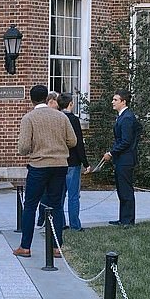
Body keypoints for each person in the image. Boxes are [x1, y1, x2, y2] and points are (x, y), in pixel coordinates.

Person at [13, 84, 76, 258]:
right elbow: (73, 141)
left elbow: (23, 147)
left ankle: (25, 246)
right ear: (47, 97)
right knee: (56, 205)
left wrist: (35, 147)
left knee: (31, 205)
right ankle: (57, 247)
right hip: (60, 165)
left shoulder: (29, 118)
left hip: (39, 166)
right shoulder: (61, 117)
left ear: (31, 99)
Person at [102, 89, 140, 226]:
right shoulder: (123, 116)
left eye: (115, 100)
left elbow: (126, 141)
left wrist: (111, 153)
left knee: (126, 190)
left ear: (123, 102)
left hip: (126, 159)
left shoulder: (127, 117)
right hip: (122, 158)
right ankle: (123, 219)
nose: (113, 102)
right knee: (121, 190)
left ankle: (128, 221)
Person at [57, 92, 90, 232]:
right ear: (71, 104)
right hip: (73, 162)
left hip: (58, 161)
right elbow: (78, 144)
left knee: (59, 195)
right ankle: (75, 225)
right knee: (73, 196)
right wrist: (86, 163)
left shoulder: (56, 118)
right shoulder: (73, 120)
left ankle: (61, 223)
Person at [36, 92, 61, 227]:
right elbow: (72, 140)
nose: (58, 104)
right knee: (51, 196)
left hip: (41, 162)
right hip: (54, 162)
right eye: (56, 101)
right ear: (50, 101)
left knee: (45, 194)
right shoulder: (60, 117)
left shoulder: (34, 117)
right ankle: (44, 218)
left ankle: (44, 219)